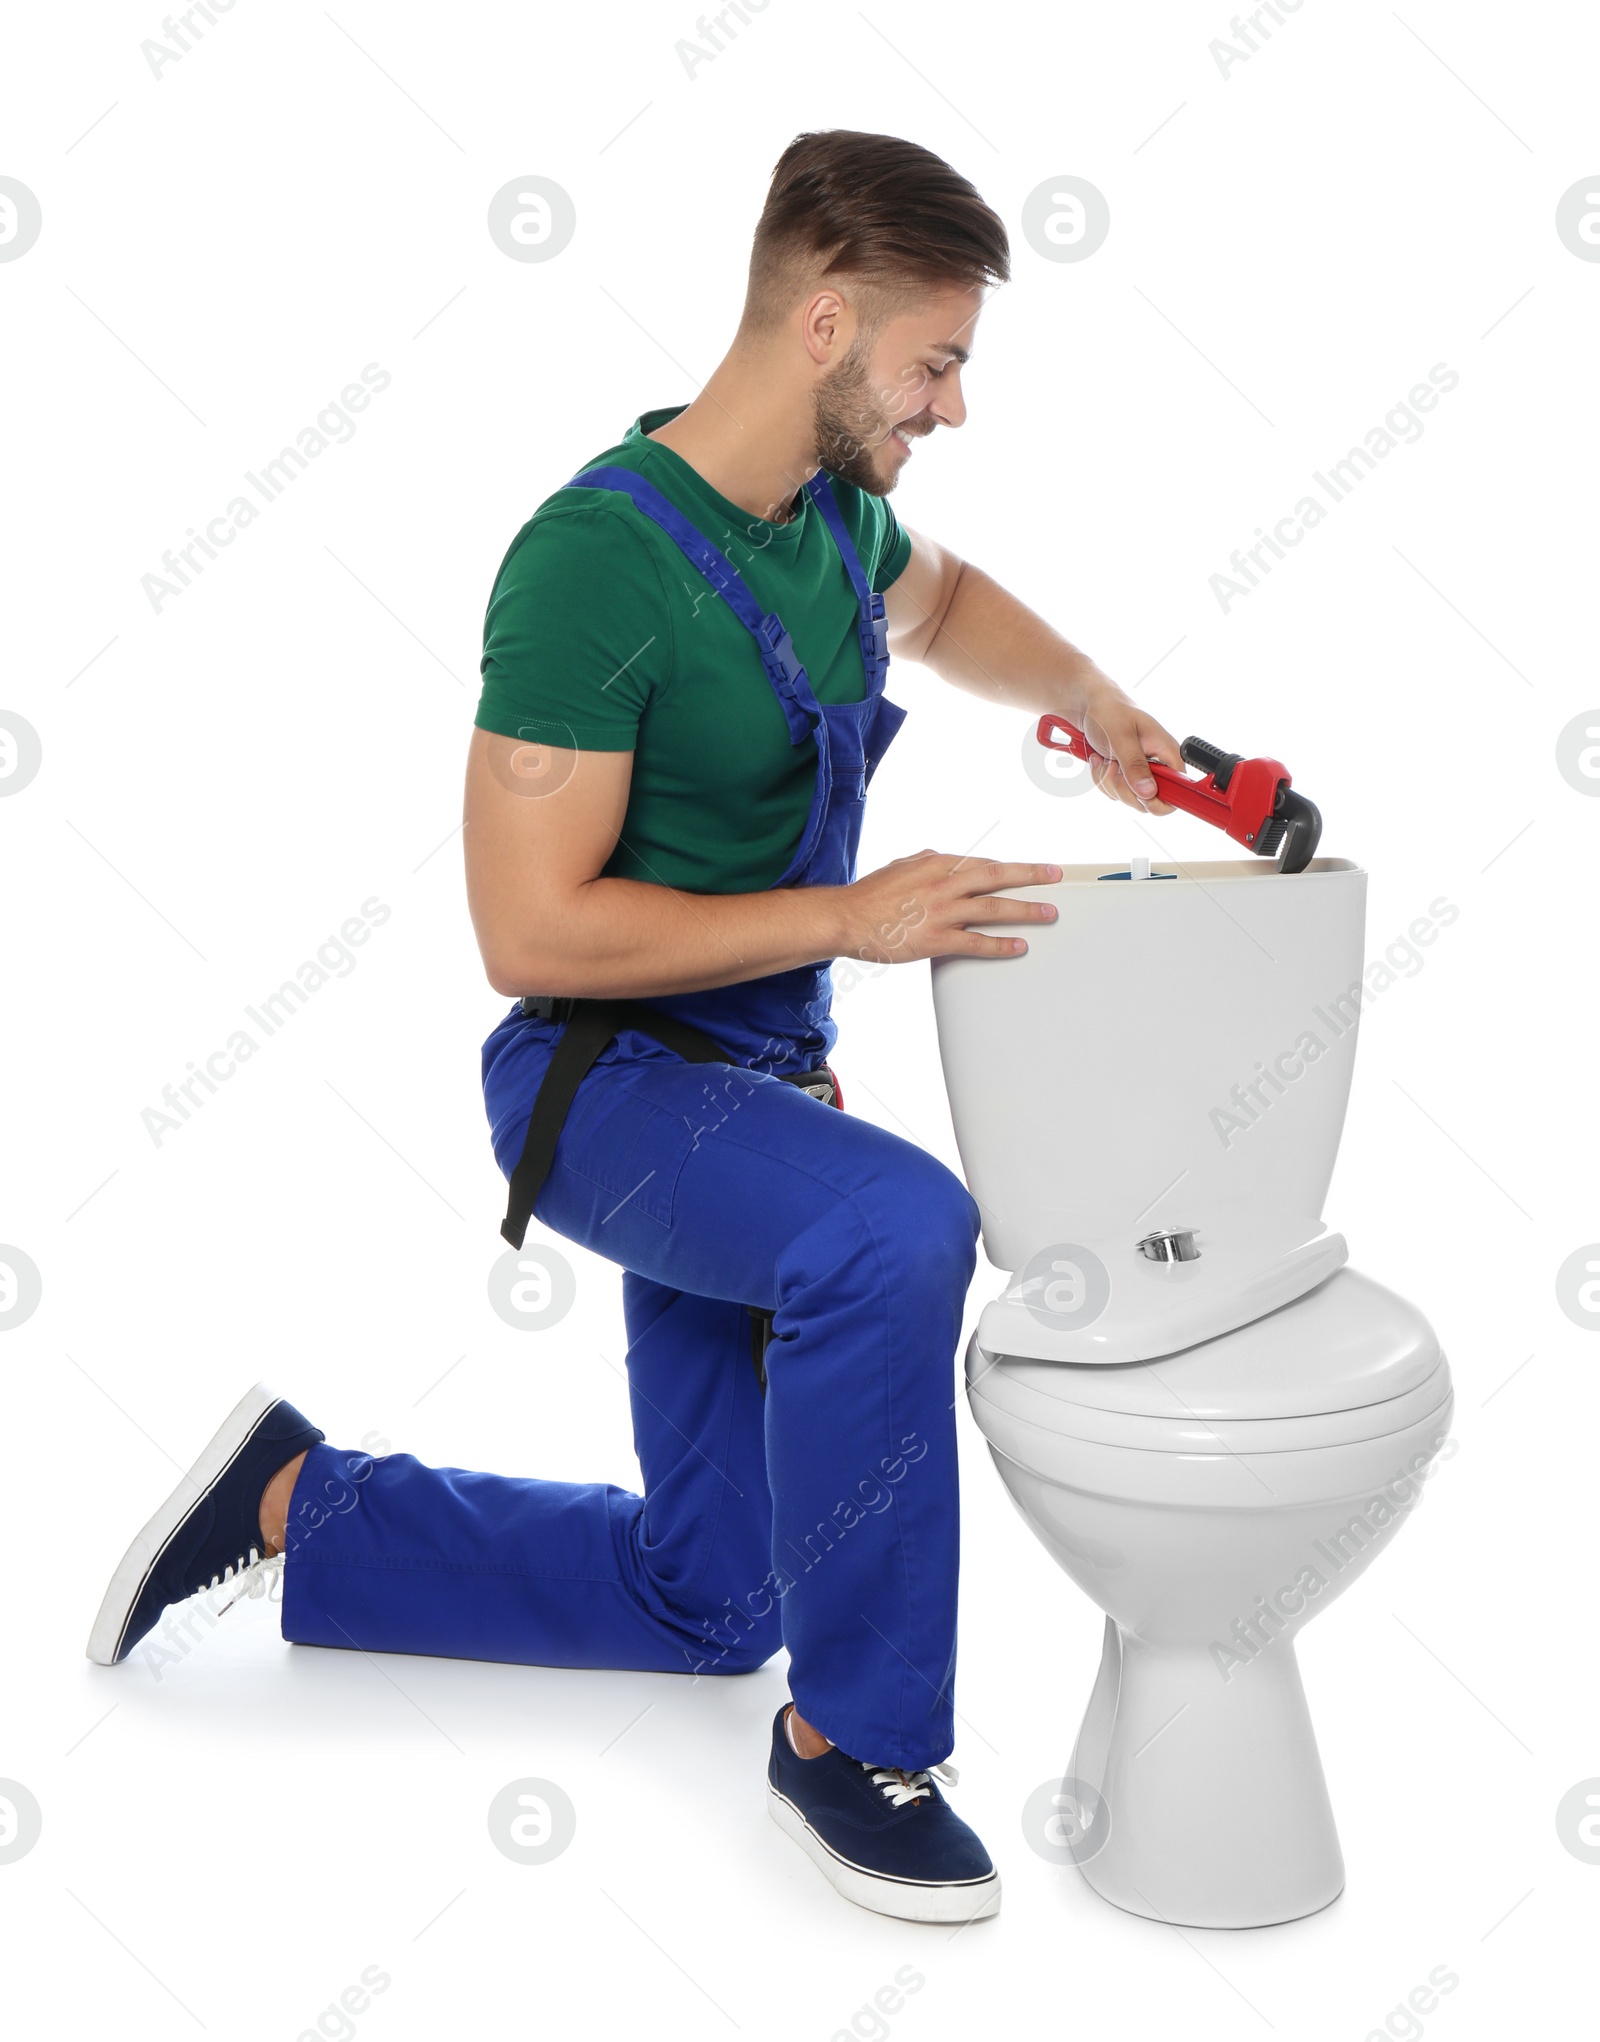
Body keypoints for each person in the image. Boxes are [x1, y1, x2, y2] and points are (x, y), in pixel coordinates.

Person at [86, 129, 1181, 1925]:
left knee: (716, 1598)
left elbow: (949, 601)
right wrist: (852, 916)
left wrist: (1093, 701)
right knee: (900, 1226)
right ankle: (854, 1746)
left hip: (749, 1093)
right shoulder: (593, 564)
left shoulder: (834, 520)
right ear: (825, 326)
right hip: (599, 1088)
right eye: (938, 360)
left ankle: (300, 1503)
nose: (955, 404)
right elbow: (525, 929)